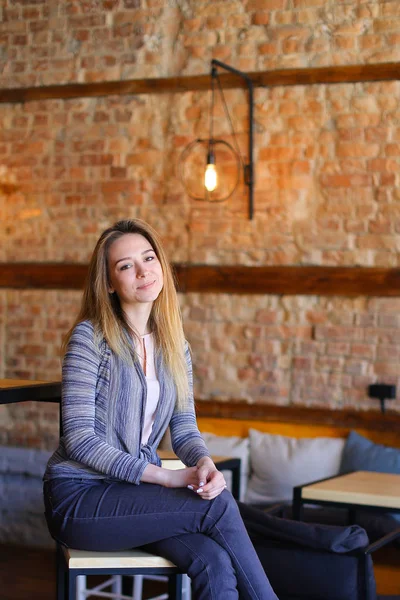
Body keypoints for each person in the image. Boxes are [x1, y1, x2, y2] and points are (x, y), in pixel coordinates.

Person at [43, 218, 278, 600]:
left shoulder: (175, 344)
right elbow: (80, 440)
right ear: (108, 283)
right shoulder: (90, 338)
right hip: (80, 498)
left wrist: (203, 461)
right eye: (125, 265)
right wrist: (167, 477)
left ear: (161, 265)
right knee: (215, 507)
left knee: (212, 561)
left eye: (148, 257)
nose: (142, 271)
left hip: (132, 495)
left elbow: (184, 426)